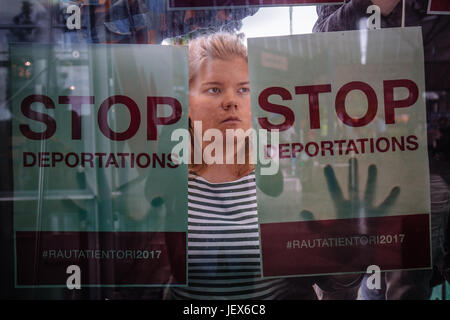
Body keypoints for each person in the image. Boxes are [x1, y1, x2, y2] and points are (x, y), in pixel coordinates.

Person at [169, 32, 375, 300]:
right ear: (187, 101)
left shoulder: (276, 180)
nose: (231, 100)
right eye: (214, 89)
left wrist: (345, 246)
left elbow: (329, 280)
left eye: (243, 89)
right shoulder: (167, 178)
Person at [313, 0, 450, 300]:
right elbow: (318, 46)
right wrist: (371, 4)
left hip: (429, 155)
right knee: (347, 277)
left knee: (406, 281)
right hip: (362, 150)